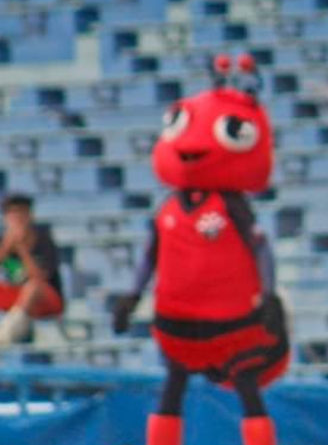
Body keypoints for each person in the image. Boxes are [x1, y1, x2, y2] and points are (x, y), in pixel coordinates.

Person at [112, 55, 288, 445]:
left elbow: (260, 247)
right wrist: (132, 295)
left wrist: (268, 294)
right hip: (179, 320)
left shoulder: (232, 206)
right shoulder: (169, 208)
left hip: (231, 322)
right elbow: (150, 256)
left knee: (245, 382)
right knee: (173, 383)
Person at [0, 194, 64, 347]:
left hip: (46, 300)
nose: (17, 219)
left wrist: (22, 249)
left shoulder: (43, 239)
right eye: (12, 214)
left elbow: (40, 278)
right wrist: (7, 247)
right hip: (16, 297)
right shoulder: (3, 241)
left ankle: (5, 335)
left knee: (32, 286)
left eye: (21, 213)